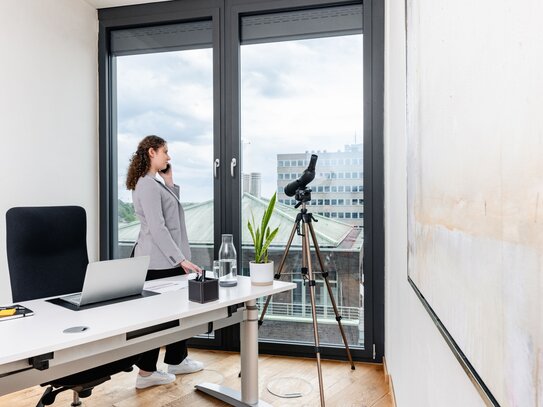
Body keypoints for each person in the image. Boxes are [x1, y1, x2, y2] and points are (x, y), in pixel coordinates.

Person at [126, 135, 204, 389]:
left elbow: (171, 214)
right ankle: (146, 373)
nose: (168, 157)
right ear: (152, 152)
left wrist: (170, 182)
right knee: (157, 317)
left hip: (163, 258)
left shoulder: (155, 183)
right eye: (165, 152)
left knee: (175, 312)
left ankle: (177, 359)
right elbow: (158, 228)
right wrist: (180, 259)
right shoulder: (146, 185)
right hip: (157, 261)